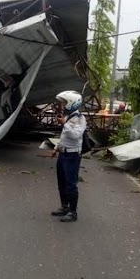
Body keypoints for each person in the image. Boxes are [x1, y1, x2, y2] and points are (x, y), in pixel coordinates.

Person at [50, 90, 87, 222]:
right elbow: (64, 137)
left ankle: (73, 212)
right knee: (62, 182)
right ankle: (64, 206)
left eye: (64, 102)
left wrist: (64, 124)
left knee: (71, 183)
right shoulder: (69, 117)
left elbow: (75, 135)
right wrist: (56, 148)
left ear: (72, 103)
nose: (62, 105)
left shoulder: (80, 119)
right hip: (63, 153)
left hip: (72, 155)